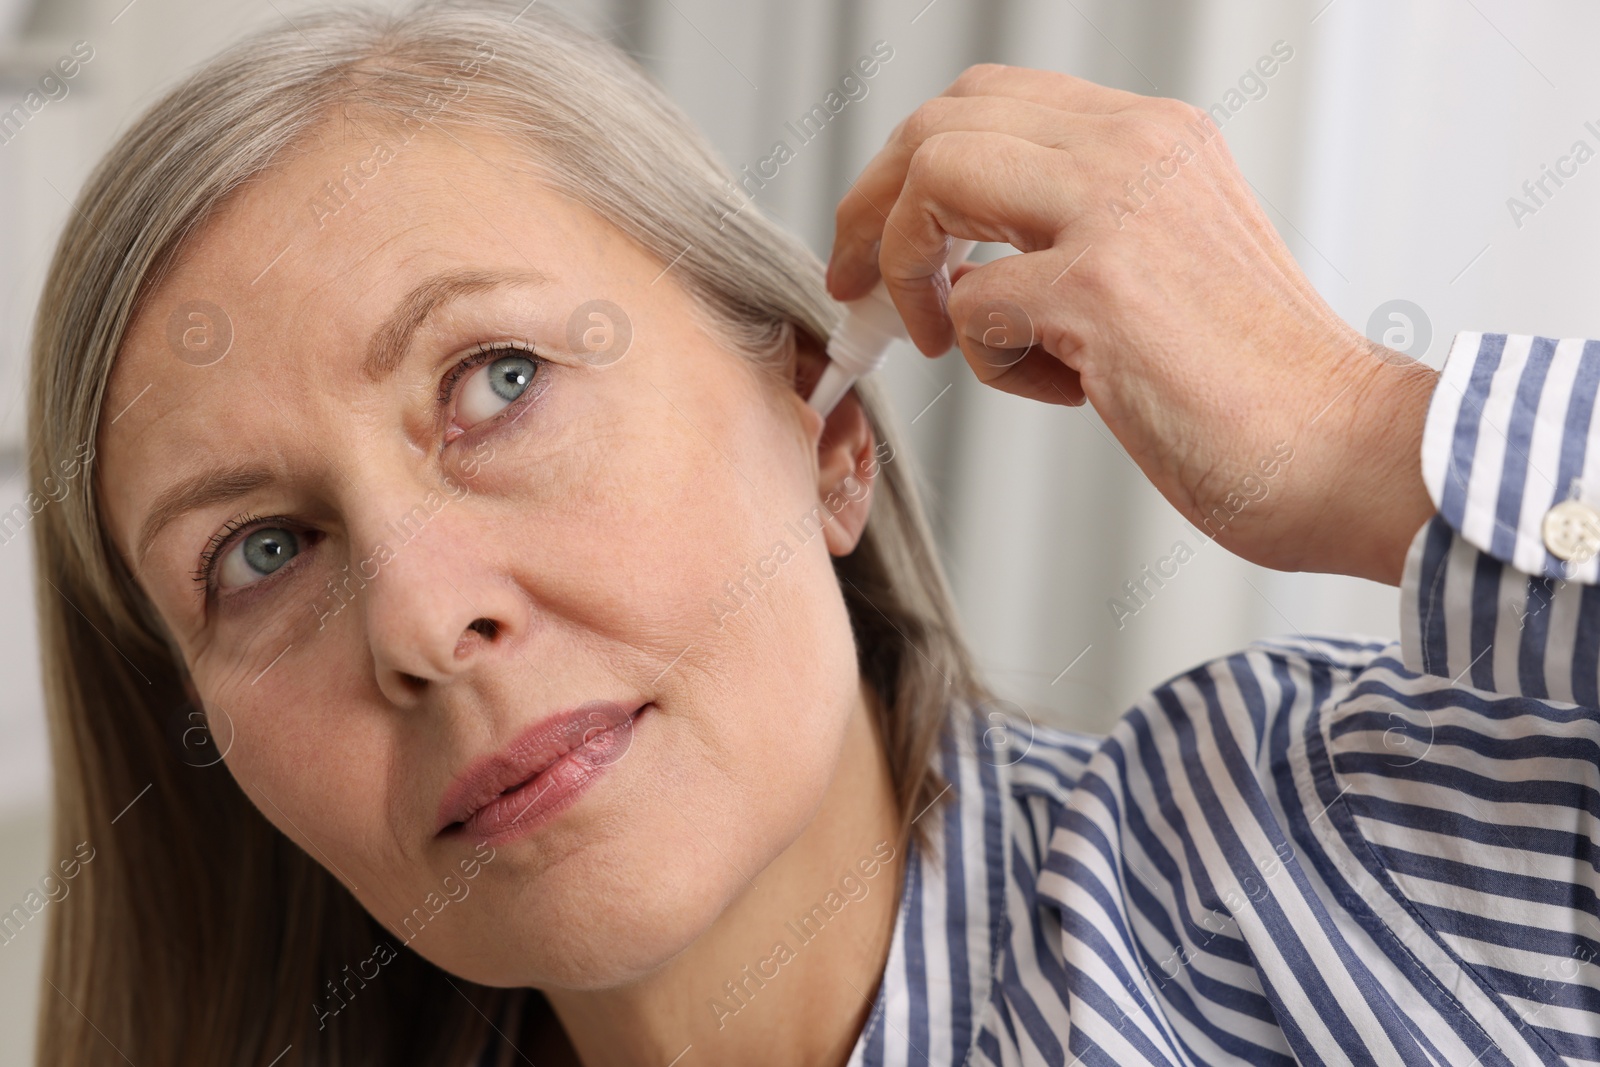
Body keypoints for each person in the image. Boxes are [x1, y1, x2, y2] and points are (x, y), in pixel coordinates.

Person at [22, 0, 1595, 1064]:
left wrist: (1359, 431)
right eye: (261, 553)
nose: (425, 624)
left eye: (499, 382)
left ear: (827, 432)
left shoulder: (1354, 867)